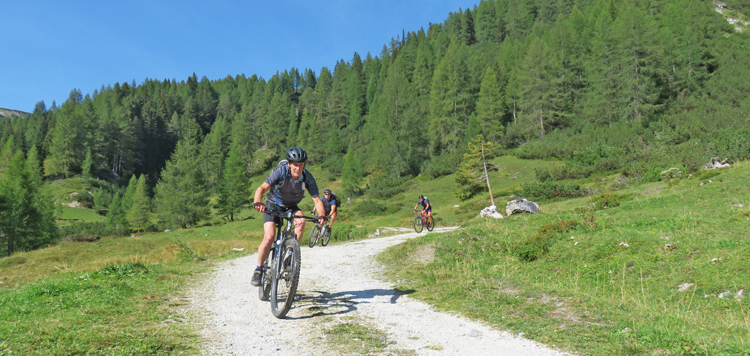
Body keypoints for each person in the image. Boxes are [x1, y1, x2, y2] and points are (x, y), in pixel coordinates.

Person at [251, 147, 327, 286]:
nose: (298, 168)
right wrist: (257, 202)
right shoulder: (281, 171)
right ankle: (259, 269)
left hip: (291, 207)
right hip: (273, 204)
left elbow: (317, 200)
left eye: (301, 165)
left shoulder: (307, 177)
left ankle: (291, 255)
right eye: (295, 165)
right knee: (269, 237)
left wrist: (322, 216)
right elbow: (262, 188)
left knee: (302, 220)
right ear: (289, 164)